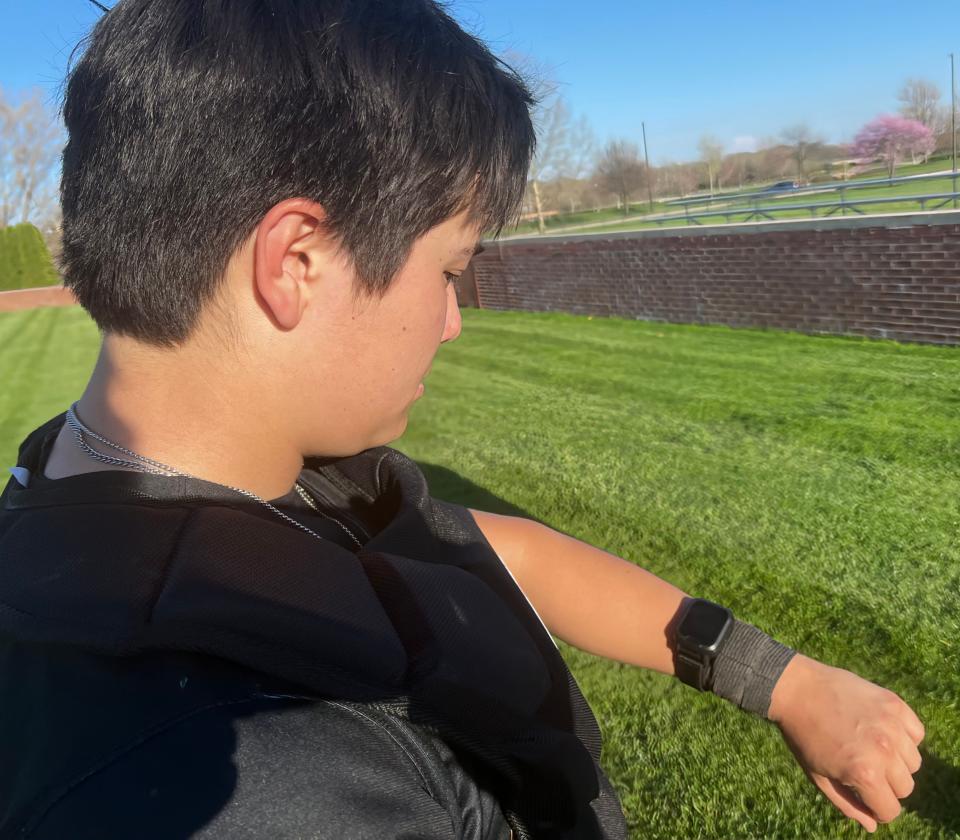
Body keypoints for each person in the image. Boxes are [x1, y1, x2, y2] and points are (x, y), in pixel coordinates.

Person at [0, 1, 924, 838]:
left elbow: (492, 550)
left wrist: (786, 683)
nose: (452, 319)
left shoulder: (151, 476)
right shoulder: (252, 785)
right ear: (296, 262)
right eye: (449, 270)